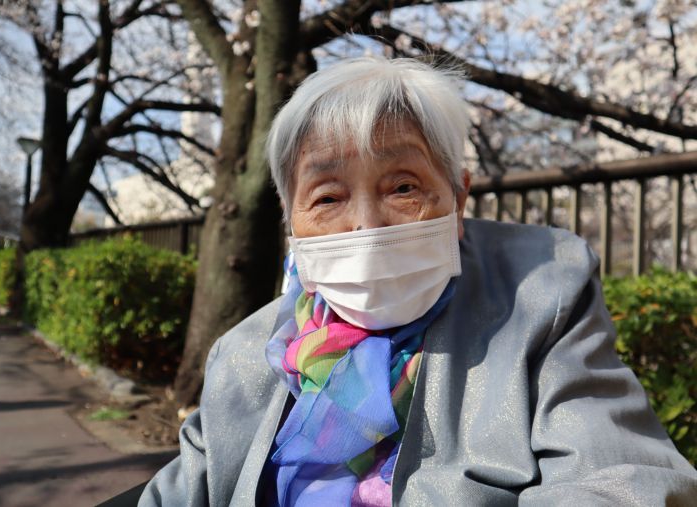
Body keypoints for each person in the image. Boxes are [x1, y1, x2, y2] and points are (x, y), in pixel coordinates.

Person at [139, 57, 697, 506]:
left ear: (458, 198)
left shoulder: (542, 296)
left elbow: (619, 477)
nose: (366, 225)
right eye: (327, 197)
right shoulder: (245, 354)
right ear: (292, 222)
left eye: (402, 187)